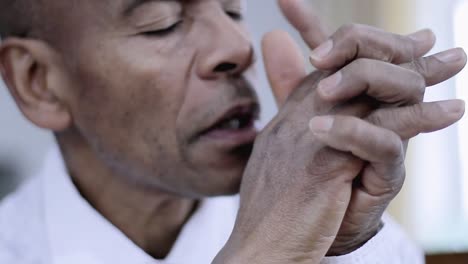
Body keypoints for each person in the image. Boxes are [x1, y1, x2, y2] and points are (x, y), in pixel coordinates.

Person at [0, 0, 465, 263]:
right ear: (38, 81)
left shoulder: (367, 247)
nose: (237, 47)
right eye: (162, 24)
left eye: (233, 9)